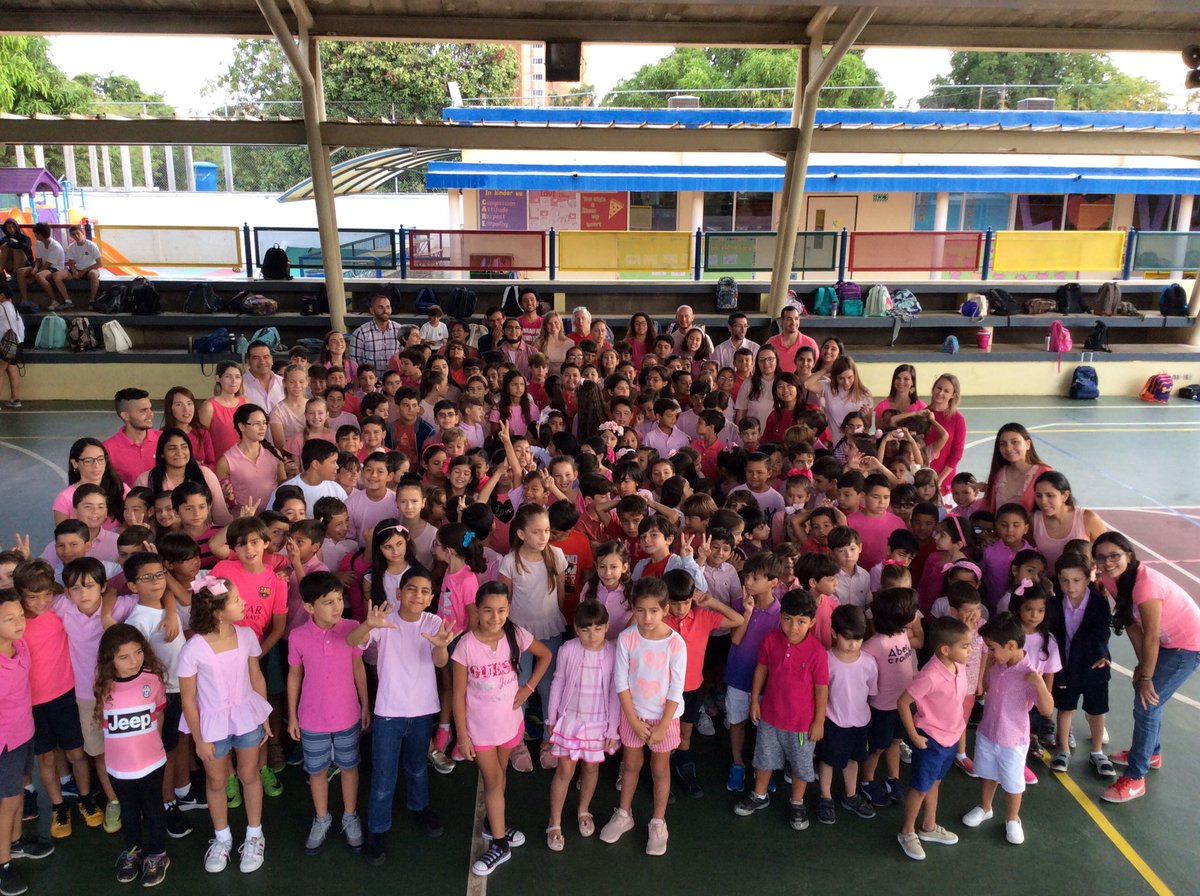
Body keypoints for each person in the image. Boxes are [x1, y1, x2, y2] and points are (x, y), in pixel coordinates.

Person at [349, 567, 454, 863]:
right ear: (398, 593)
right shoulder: (384, 621)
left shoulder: (434, 622)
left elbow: (440, 661)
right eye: (411, 589)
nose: (417, 595)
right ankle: (377, 828)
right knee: (384, 774)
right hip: (389, 712)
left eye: (424, 591)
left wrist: (441, 646)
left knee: (417, 767)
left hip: (422, 711)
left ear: (430, 598)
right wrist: (368, 625)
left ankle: (419, 807)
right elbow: (352, 642)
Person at [1092, 532, 1200, 803]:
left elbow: (1151, 636)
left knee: (1147, 704)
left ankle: (1136, 777)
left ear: (1129, 555)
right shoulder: (1112, 579)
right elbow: (1130, 622)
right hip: (1167, 642)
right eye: (1101, 558)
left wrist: (1147, 676)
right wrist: (1142, 667)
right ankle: (1151, 753)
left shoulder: (1145, 586)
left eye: (1114, 555)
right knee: (1145, 696)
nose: (1108, 562)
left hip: (1187, 645)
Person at [453, 582, 552, 877]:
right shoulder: (466, 646)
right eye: (487, 611)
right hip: (480, 731)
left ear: (509, 609)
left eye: (501, 610)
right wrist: (462, 736)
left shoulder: (515, 634)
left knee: (500, 776)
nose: (495, 617)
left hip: (510, 724)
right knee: (493, 780)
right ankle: (500, 844)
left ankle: (492, 824)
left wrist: (528, 688)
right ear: (477, 610)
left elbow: (545, 655)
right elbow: (457, 694)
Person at [177, 575, 273, 874]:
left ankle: (255, 834)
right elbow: (188, 700)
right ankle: (222, 837)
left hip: (246, 719)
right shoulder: (193, 648)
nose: (244, 603)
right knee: (217, 781)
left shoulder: (246, 635)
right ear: (218, 611)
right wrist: (199, 738)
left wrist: (264, 716)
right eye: (236, 600)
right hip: (212, 727)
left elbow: (256, 676)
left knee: (249, 774)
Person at [13, 559, 105, 838]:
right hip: (31, 703)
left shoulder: (59, 611)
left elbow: (104, 594)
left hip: (66, 697)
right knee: (46, 758)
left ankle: (86, 799)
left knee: (77, 754)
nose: (41, 602)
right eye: (33, 597)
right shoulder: (16, 625)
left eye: (45, 595)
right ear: (21, 595)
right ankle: (58, 807)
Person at [600, 577, 687, 856]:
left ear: (665, 609)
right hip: (633, 715)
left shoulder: (676, 644)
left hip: (665, 719)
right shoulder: (627, 638)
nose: (647, 617)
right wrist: (633, 720)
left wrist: (663, 725)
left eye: (653, 610)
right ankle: (624, 814)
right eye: (640, 610)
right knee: (630, 765)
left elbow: (676, 688)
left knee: (660, 770)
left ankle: (658, 822)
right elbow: (621, 682)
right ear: (633, 608)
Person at [733, 588, 829, 832]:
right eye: (787, 619)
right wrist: (755, 700)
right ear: (780, 617)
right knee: (764, 759)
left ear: (812, 622)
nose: (793, 627)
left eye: (801, 621)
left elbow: (821, 689)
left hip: (801, 725)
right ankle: (759, 794)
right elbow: (761, 669)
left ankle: (797, 802)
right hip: (770, 717)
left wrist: (819, 721)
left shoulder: (817, 652)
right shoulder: (770, 640)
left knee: (800, 764)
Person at [962, 612, 1054, 846]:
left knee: (1013, 782)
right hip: (987, 731)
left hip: (1012, 739)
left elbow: (1047, 710)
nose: (990, 653)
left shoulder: (1029, 673)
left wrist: (1040, 685)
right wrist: (989, 665)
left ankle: (1013, 818)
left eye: (992, 648)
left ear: (1011, 645)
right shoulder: (997, 664)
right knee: (987, 773)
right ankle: (985, 807)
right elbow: (985, 687)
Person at [94, 624, 171, 885]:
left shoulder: (152, 680)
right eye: (124, 657)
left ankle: (158, 854)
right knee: (128, 811)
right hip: (118, 767)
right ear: (110, 660)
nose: (134, 661)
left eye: (138, 653)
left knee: (153, 808)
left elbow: (158, 713)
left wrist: (153, 744)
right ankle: (134, 851)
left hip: (151, 763)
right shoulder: (103, 686)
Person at [543, 600, 620, 852]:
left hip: (598, 723)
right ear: (576, 628)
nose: (592, 635)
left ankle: (583, 810)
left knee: (591, 768)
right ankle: (554, 822)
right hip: (571, 721)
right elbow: (558, 682)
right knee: (565, 770)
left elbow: (615, 692)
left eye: (598, 628)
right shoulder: (568, 649)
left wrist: (612, 728)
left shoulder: (613, 653)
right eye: (585, 629)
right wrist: (552, 717)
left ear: (607, 626)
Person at [896, 615, 972, 861]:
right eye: (965, 646)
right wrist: (914, 736)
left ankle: (928, 826)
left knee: (935, 783)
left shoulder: (959, 666)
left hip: (950, 738)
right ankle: (907, 832)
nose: (970, 650)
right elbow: (903, 702)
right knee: (920, 788)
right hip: (931, 740)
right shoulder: (930, 675)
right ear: (945, 649)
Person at [0, 589, 56, 896]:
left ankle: (16, 841)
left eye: (20, 615)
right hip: (4, 745)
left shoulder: (19, 646)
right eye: (9, 619)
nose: (20, 622)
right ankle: (3, 865)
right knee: (7, 803)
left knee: (19, 792)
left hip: (24, 733)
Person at [1046, 551, 1114, 777]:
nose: (1070, 586)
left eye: (1076, 580)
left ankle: (1097, 752)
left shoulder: (1099, 603)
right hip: (1066, 667)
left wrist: (1102, 654)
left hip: (1094, 665)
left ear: (1088, 578)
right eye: (1064, 580)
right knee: (1065, 708)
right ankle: (1063, 749)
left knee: (1096, 710)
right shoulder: (1054, 603)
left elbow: (1102, 631)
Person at [815, 604, 878, 824]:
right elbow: (820, 692)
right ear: (834, 633)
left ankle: (850, 795)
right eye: (848, 638)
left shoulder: (869, 662)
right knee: (827, 760)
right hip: (832, 721)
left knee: (853, 759)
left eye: (858, 638)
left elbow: (871, 692)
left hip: (859, 722)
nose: (853, 644)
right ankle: (825, 797)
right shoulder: (825, 660)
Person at [135, 428, 232, 525]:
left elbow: (221, 517)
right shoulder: (145, 480)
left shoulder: (206, 475)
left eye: (184, 447)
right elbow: (137, 520)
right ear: (162, 453)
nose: (179, 452)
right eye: (172, 448)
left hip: (204, 534)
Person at [214, 404, 286, 516]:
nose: (263, 428)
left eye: (264, 423)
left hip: (272, 518)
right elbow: (221, 498)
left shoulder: (274, 454)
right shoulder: (226, 461)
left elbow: (282, 485)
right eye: (256, 424)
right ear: (242, 426)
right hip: (243, 520)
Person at [1030, 471, 1107, 572]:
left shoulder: (1088, 518)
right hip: (1048, 580)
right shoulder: (1033, 520)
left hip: (1084, 580)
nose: (1043, 501)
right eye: (1039, 496)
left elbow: (1106, 551)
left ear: (1065, 496)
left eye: (1050, 495)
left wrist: (1099, 576)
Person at [984, 423, 1053, 514]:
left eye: (1015, 442)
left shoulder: (1045, 473)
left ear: (1028, 444)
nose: (1008, 448)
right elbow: (988, 508)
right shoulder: (998, 474)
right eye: (1003, 444)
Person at [104, 388, 161, 487]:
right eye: (143, 410)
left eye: (150, 409)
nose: (150, 414)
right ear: (125, 416)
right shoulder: (107, 449)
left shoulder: (165, 439)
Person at [198, 361, 248, 464]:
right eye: (228, 376)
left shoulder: (246, 402)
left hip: (244, 462)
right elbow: (200, 439)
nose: (233, 381)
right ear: (218, 378)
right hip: (219, 463)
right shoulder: (209, 406)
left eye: (237, 377)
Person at [926, 374, 966, 494]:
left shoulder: (958, 419)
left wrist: (939, 480)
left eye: (946, 391)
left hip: (944, 480)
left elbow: (957, 453)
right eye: (939, 388)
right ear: (933, 388)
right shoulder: (923, 414)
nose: (940, 393)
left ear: (953, 395)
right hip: (923, 477)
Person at [15, 223, 65, 310]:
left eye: (35, 234)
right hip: (43, 265)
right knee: (20, 271)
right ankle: (25, 299)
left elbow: (48, 265)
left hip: (55, 268)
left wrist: (33, 277)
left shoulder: (55, 246)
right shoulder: (39, 243)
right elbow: (38, 260)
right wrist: (35, 268)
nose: (34, 235)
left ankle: (54, 300)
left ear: (40, 235)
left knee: (39, 276)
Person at [162, 386, 215, 468]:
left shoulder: (203, 433)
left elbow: (211, 464)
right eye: (179, 405)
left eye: (189, 403)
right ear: (170, 408)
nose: (186, 409)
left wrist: (200, 467)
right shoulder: (162, 435)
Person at [350, 294, 404, 372]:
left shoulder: (399, 330)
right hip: (370, 379)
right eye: (380, 307)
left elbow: (404, 358)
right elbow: (355, 364)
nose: (385, 311)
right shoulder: (361, 333)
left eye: (388, 307)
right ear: (372, 310)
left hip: (395, 378)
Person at [52, 226, 102, 307]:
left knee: (94, 274)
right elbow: (71, 263)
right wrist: (74, 271)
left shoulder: (91, 245)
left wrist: (85, 270)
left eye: (78, 233)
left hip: (90, 269)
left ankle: (92, 300)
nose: (76, 236)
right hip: (77, 270)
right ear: (71, 236)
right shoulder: (71, 247)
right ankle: (68, 300)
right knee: (56, 275)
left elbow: (99, 263)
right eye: (73, 234)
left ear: (82, 233)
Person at [766, 305, 818, 374]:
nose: (793, 322)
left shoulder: (810, 343)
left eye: (796, 319)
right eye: (789, 319)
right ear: (781, 321)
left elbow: (816, 367)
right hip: (777, 380)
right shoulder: (771, 342)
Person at [734, 344, 779, 426]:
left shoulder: (785, 382)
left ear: (777, 360)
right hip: (753, 432)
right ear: (756, 362)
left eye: (770, 359)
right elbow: (741, 413)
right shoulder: (748, 383)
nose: (766, 363)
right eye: (762, 359)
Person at [268, 365, 309, 451]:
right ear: (285, 383)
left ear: (307, 382)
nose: (297, 385)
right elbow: (280, 446)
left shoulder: (315, 405)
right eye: (292, 382)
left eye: (301, 381)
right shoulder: (277, 411)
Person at [874, 364, 926, 430]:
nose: (901, 382)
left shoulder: (921, 407)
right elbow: (877, 431)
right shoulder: (882, 406)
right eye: (898, 378)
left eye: (906, 379)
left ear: (912, 382)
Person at [0, 284, 24, 408]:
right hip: (15, 343)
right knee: (12, 368)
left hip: (4, 344)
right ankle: (15, 399)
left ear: (2, 295)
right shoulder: (12, 307)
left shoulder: (1, 308)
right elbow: (20, 325)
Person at [242, 343, 284, 415]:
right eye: (256, 358)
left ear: (272, 359)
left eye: (266, 357)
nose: (262, 361)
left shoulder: (283, 382)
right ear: (248, 362)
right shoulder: (239, 385)